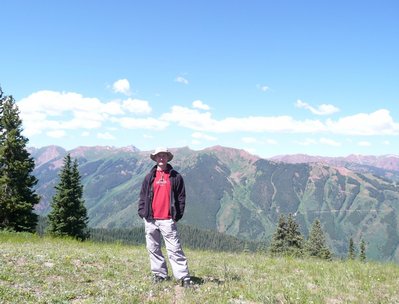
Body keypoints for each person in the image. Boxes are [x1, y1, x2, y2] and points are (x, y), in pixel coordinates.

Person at [138, 147, 192, 288]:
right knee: (153, 248)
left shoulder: (175, 177)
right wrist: (142, 212)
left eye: (164, 156)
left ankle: (183, 277)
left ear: (168, 158)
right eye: (159, 156)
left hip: (168, 219)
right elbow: (143, 196)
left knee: (174, 249)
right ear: (155, 158)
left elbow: (181, 198)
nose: (161, 158)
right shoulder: (150, 177)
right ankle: (159, 275)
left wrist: (177, 215)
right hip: (151, 219)